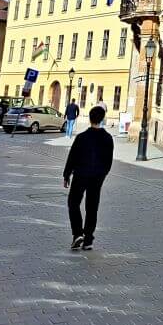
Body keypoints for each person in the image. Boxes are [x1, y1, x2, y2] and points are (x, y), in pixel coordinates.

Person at [63, 105, 113, 251]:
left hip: (81, 174)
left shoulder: (81, 137)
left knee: (73, 203)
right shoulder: (108, 138)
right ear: (102, 119)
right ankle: (88, 239)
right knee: (92, 207)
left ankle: (78, 233)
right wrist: (103, 174)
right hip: (97, 177)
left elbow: (72, 157)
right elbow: (108, 161)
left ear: (90, 119)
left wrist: (67, 174)